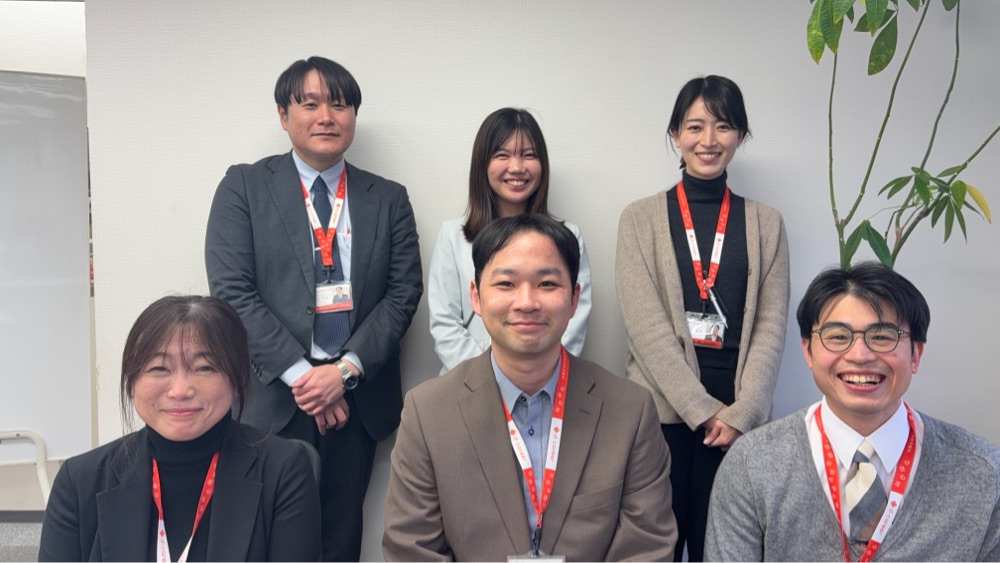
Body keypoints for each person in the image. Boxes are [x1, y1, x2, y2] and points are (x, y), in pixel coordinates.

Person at [204, 56, 423, 561]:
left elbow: (403, 293)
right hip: (273, 398)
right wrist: (307, 379)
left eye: (339, 104)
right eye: (310, 104)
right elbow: (232, 292)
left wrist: (343, 373)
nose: (327, 116)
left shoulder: (388, 198)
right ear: (283, 115)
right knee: (262, 537)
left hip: (356, 398)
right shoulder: (244, 187)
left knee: (340, 537)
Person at [383, 214, 677, 561]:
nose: (526, 302)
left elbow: (647, 548)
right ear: (476, 296)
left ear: (574, 298)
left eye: (547, 284)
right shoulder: (427, 413)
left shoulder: (630, 411)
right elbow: (411, 550)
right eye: (506, 283)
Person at [705, 262, 1000, 561]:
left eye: (882, 336)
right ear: (808, 350)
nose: (860, 355)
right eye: (837, 336)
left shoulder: (983, 473)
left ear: (915, 353)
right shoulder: (752, 465)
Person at [615, 75, 790, 561]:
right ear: (675, 135)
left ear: (740, 135)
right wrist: (701, 409)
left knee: (727, 549)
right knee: (656, 548)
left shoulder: (767, 223)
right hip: (663, 412)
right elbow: (645, 327)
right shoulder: (639, 219)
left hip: (737, 417)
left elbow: (771, 326)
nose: (708, 140)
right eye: (694, 127)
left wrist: (742, 412)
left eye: (723, 126)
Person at [38, 296, 321, 562]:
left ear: (237, 379)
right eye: (159, 368)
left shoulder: (283, 470)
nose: (180, 390)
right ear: (132, 381)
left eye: (204, 367)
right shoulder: (80, 482)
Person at [427, 107, 592, 374]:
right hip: (467, 382)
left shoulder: (568, 237)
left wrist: (532, 374)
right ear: (483, 164)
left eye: (529, 155)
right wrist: (491, 379)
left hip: (547, 382)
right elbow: (444, 324)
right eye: (502, 155)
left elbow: (572, 324)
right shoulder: (452, 235)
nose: (517, 167)